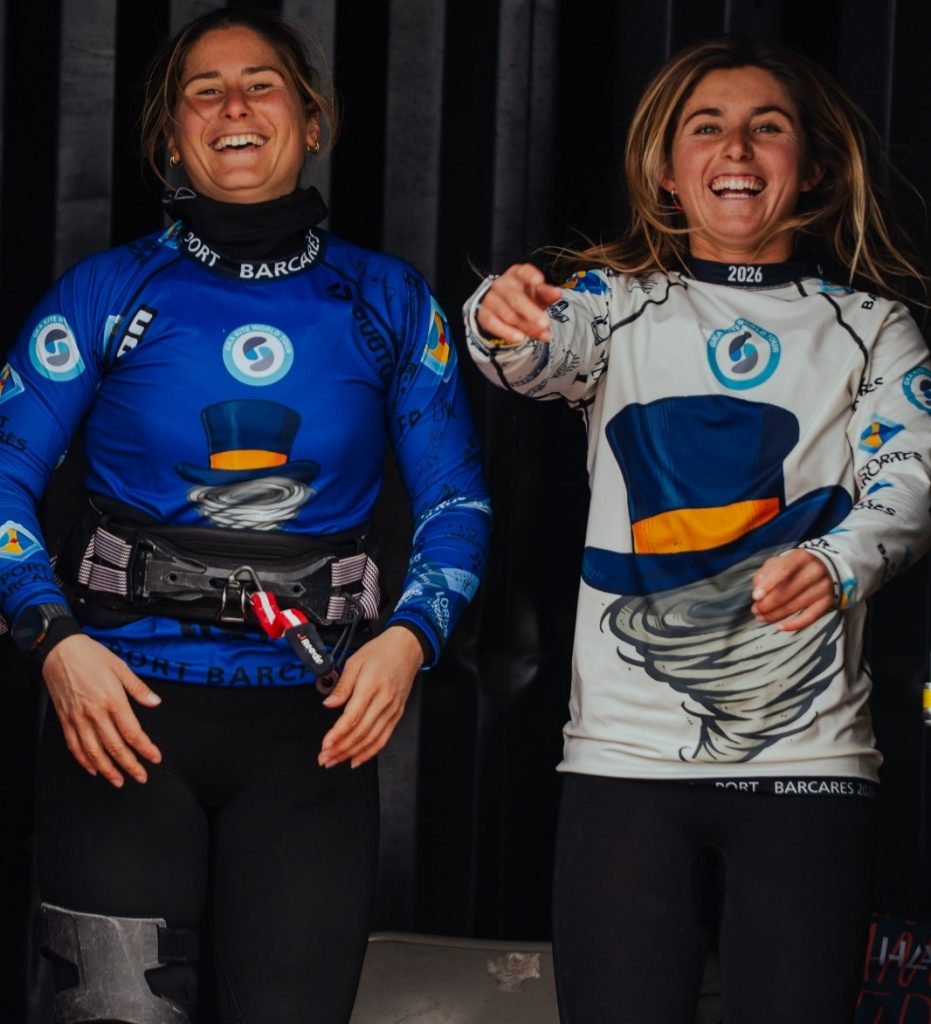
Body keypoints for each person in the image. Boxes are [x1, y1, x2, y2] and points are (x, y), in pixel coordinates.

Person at [0, 8, 490, 1023]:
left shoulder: (390, 300)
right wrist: (52, 641)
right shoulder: (107, 291)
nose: (233, 106)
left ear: (311, 120)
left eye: (261, 83)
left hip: (311, 736)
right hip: (121, 717)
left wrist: (410, 640)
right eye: (204, 90)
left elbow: (456, 501)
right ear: (170, 135)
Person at [464, 35, 930, 1024]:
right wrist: (497, 314)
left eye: (768, 127)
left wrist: (838, 562)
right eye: (706, 127)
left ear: (810, 168)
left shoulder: (873, 327)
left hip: (810, 764)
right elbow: (527, 354)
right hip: (621, 765)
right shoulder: (614, 308)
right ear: (666, 173)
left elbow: (910, 481)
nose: (737, 148)